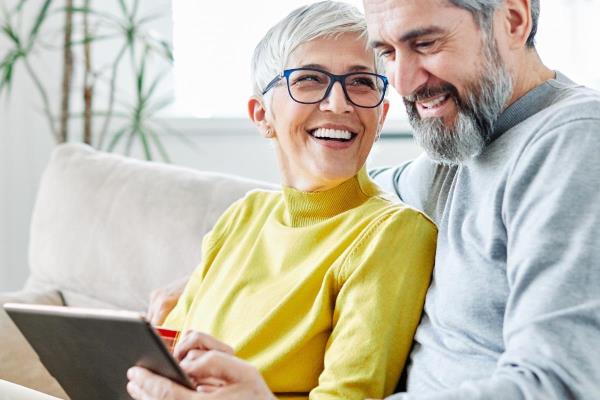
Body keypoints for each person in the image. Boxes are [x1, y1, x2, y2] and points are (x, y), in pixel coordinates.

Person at [130, 0, 600, 399]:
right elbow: (332, 197)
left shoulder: (572, 143)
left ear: (513, 20)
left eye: (425, 44)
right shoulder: (460, 149)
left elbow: (555, 385)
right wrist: (215, 272)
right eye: (387, 52)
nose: (404, 80)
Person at [129, 2, 437, 400]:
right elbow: (177, 358)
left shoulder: (393, 233)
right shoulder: (244, 215)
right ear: (262, 115)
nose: (338, 104)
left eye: (361, 83)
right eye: (309, 79)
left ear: (381, 115)